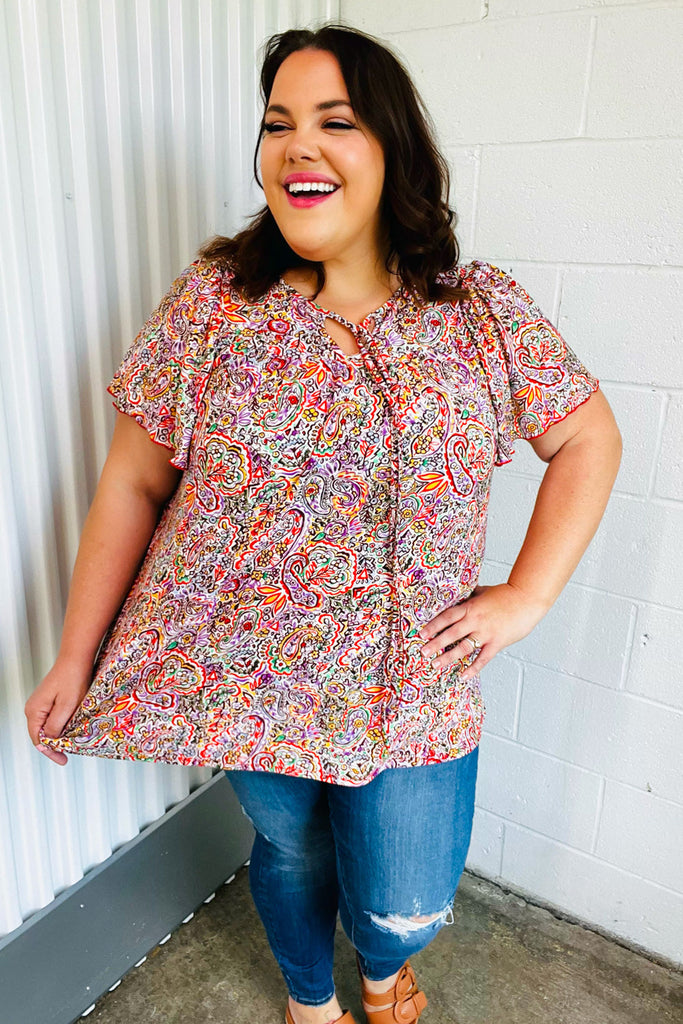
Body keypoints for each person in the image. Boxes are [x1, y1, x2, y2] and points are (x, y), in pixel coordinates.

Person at [25, 22, 622, 1024]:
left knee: (405, 901)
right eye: (277, 124)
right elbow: (131, 484)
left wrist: (524, 595)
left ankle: (382, 967)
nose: (297, 144)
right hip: (253, 678)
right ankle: (312, 1000)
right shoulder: (214, 307)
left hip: (414, 682)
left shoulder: (477, 312)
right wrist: (75, 658)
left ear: (393, 148)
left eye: (334, 121)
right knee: (292, 850)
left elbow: (587, 438)